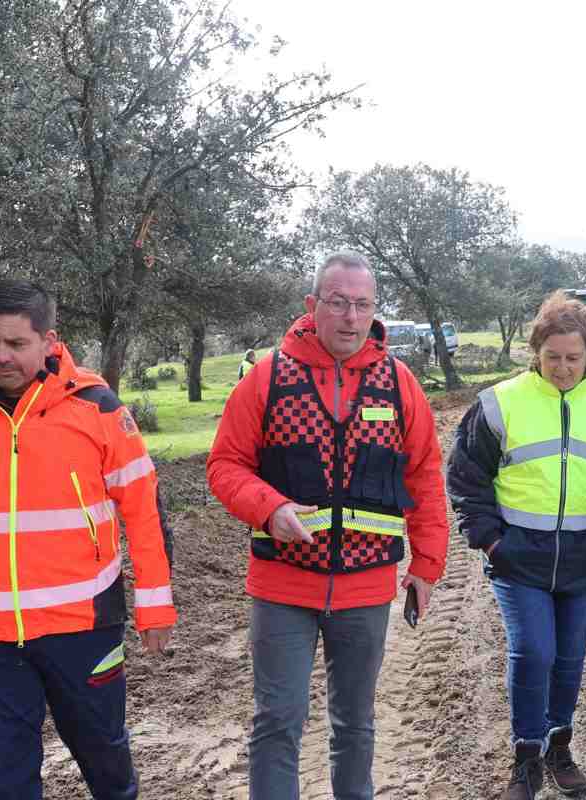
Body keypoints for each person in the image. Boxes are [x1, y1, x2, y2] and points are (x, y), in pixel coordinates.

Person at [0, 278, 176, 800]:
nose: (0, 355)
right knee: (4, 782)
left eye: (16, 343)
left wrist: (156, 608)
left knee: (108, 770)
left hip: (83, 630)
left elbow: (144, 515)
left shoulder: (99, 410)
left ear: (49, 340)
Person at [206, 251, 449, 800]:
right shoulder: (268, 378)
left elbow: (427, 477)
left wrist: (427, 565)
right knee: (278, 722)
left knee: (355, 725)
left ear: (374, 310)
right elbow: (224, 465)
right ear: (313, 305)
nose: (350, 316)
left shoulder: (399, 383)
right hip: (282, 587)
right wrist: (269, 508)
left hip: (366, 588)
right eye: (338, 302)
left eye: (362, 304)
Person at [447, 291, 586, 800]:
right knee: (534, 652)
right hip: (519, 560)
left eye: (574, 358)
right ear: (535, 351)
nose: (563, 368)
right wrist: (492, 542)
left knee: (569, 659)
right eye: (553, 357)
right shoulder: (499, 403)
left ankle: (560, 746)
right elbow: (466, 480)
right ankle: (526, 756)